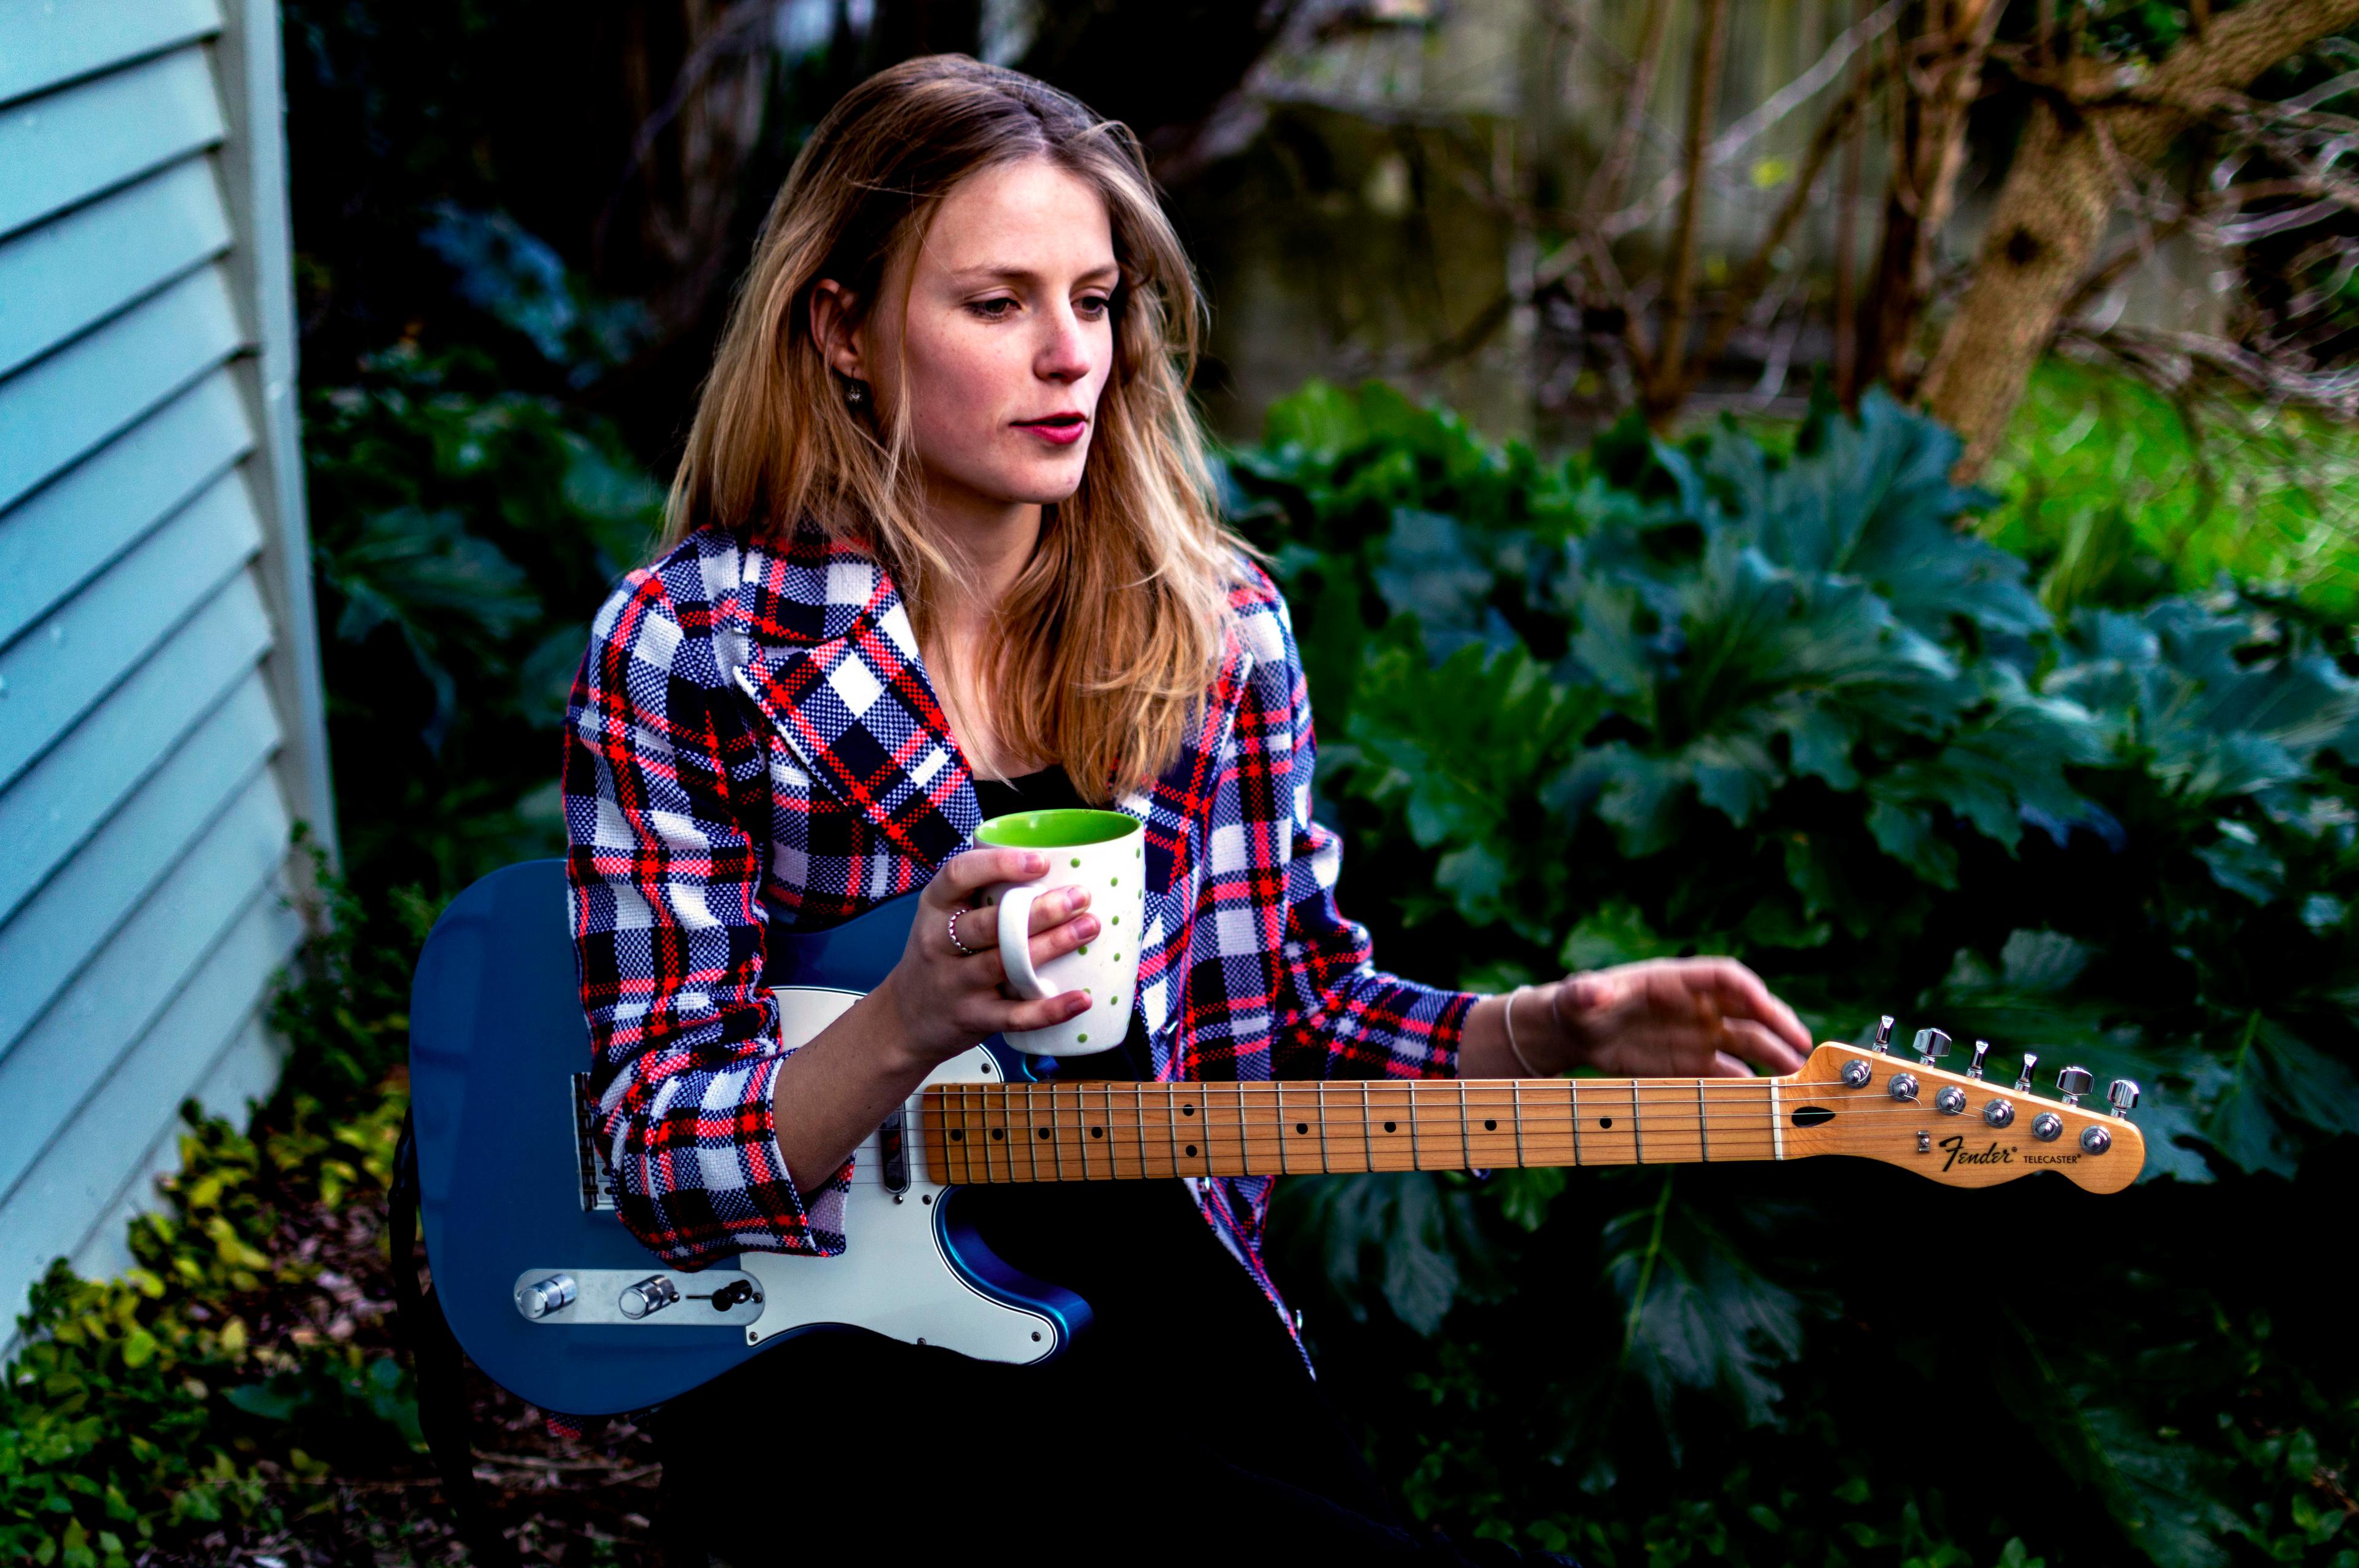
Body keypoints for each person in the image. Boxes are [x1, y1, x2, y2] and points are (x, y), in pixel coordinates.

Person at [563, 53, 1813, 1567]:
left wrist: (1549, 1030)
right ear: (842, 330)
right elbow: (652, 1149)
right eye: (997, 302)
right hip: (832, 1343)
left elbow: (1300, 1006)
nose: (1068, 356)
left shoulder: (1213, 631)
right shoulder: (698, 646)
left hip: (1162, 1294)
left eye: (1094, 300)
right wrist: (910, 1015)